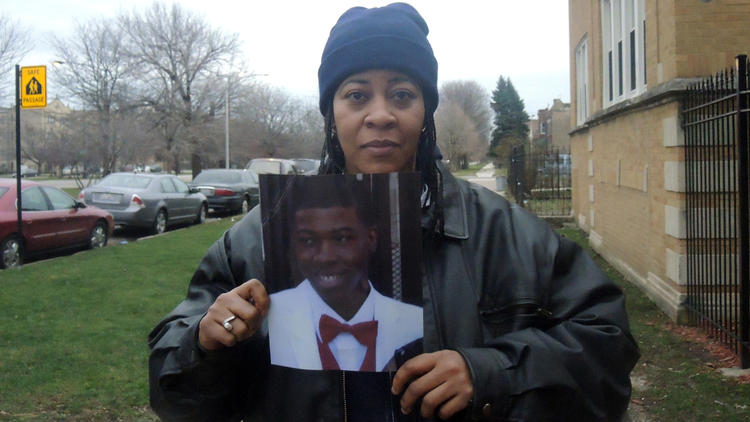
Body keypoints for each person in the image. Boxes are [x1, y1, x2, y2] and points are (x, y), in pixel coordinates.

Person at [148, 3, 639, 421]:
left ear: (424, 112)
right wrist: (204, 344)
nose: (380, 114)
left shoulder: (505, 235)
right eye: (356, 94)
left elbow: (607, 348)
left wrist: (491, 372)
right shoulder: (257, 241)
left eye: (402, 94)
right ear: (331, 113)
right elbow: (172, 391)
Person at [267, 175, 423, 372]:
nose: (325, 257)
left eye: (342, 238)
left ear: (371, 238)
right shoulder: (269, 318)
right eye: (307, 240)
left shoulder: (415, 323)